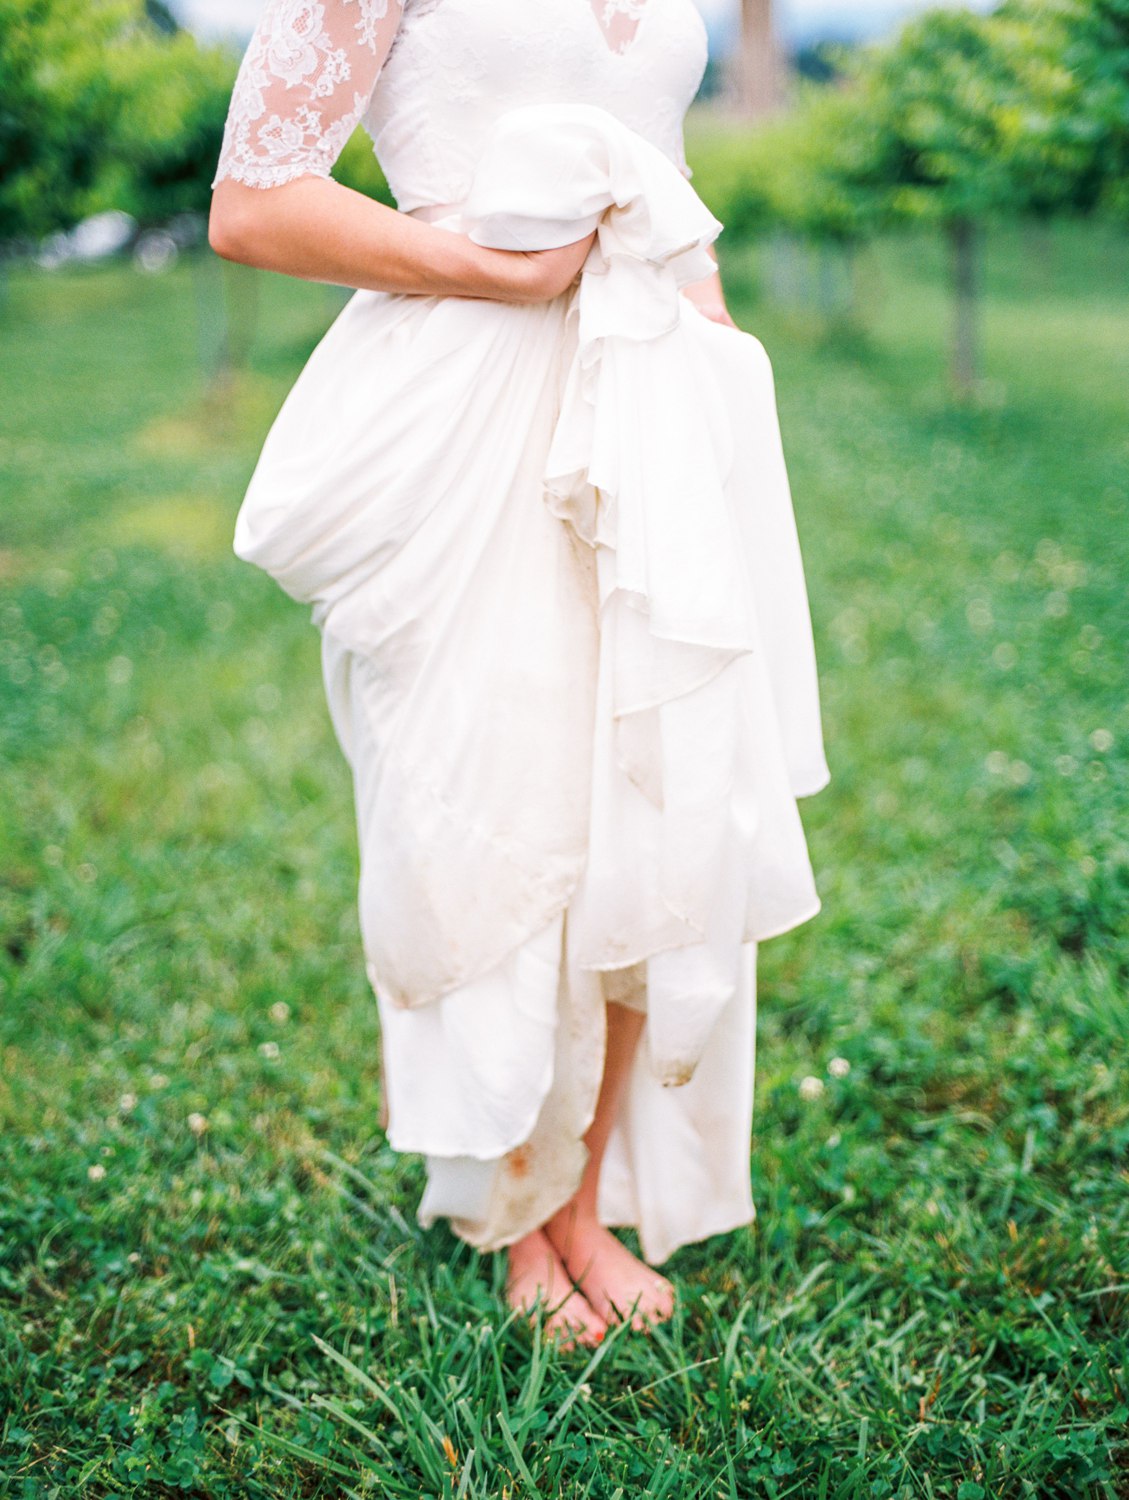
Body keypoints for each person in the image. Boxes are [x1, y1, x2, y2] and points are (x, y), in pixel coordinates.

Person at [209, 0, 829, 1349]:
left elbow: (653, 164)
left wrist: (718, 354)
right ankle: (511, 1208)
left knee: (639, 801)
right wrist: (497, 273)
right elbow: (256, 206)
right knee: (482, 809)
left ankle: (582, 1202)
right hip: (462, 401)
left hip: (648, 402)